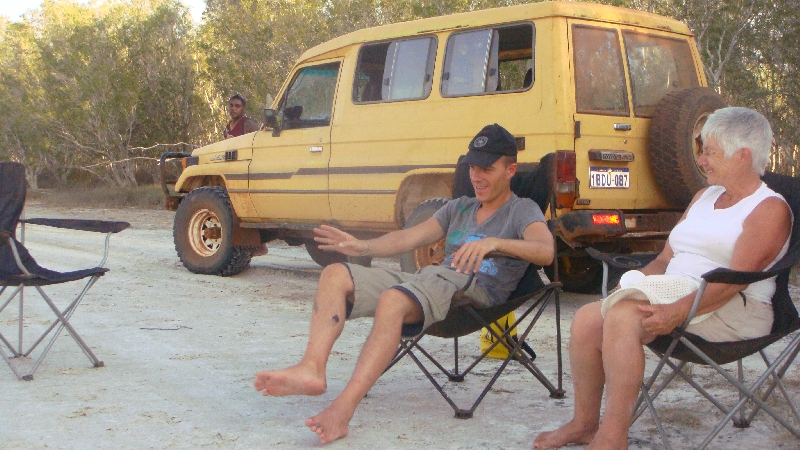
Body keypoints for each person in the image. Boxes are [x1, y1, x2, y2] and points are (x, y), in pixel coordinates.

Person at [253, 124, 555, 444]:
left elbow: (545, 251)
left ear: (510, 170)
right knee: (335, 275)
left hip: (471, 292)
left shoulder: (522, 209)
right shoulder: (460, 207)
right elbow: (409, 237)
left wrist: (494, 243)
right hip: (431, 281)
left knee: (394, 300)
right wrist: (363, 247)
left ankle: (342, 411)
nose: (476, 177)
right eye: (472, 168)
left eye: (487, 169)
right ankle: (312, 368)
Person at [533, 107, 792, 449]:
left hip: (733, 309)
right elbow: (666, 259)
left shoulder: (768, 209)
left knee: (624, 318)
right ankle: (584, 425)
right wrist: (634, 281)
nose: (701, 160)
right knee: (586, 319)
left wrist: (679, 311)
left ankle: (612, 437)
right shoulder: (705, 196)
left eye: (710, 152)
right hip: (677, 293)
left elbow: (735, 280)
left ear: (743, 156)